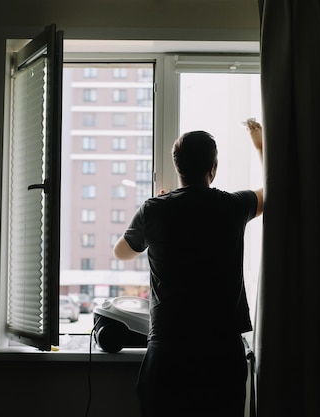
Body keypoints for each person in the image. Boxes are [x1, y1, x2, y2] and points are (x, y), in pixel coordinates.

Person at [113, 120, 264, 417]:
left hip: (169, 350)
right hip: (221, 352)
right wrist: (260, 146)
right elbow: (272, 190)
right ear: (213, 167)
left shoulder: (154, 210)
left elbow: (122, 253)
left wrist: (153, 214)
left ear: (178, 166)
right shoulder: (232, 207)